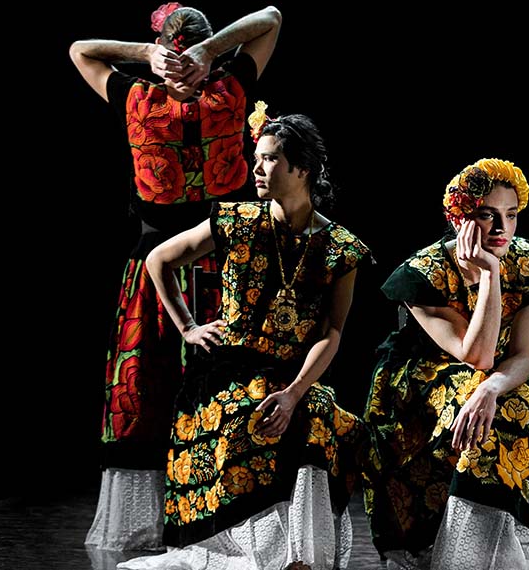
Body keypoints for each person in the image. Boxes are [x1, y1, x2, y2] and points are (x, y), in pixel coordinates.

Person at [70, 3, 281, 551]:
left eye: (193, 60)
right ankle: (161, 524)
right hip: (157, 267)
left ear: (209, 59)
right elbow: (78, 50)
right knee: (148, 390)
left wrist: (208, 52)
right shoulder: (140, 95)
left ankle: (226, 523)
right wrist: (149, 55)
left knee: (227, 389)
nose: (183, 72)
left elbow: (273, 15)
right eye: (176, 61)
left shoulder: (227, 86)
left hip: (226, 260)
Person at [119, 110, 369, 570]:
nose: (256, 169)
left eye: (270, 159)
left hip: (294, 371)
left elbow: (332, 332)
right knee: (253, 414)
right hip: (228, 367)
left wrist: (295, 392)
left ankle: (302, 556)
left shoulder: (341, 248)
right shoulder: (236, 221)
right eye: (257, 158)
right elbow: (159, 260)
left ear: (303, 168)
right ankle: (263, 555)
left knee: (315, 416)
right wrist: (188, 327)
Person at [360, 159, 529, 569]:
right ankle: (460, 558)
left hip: (490, 375)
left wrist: (492, 387)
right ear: (460, 220)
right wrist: (490, 273)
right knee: (478, 395)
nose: (501, 229)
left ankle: (493, 553)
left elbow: (522, 355)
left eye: (511, 215)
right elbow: (476, 355)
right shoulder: (421, 274)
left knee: (523, 400)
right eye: (487, 215)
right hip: (420, 377)